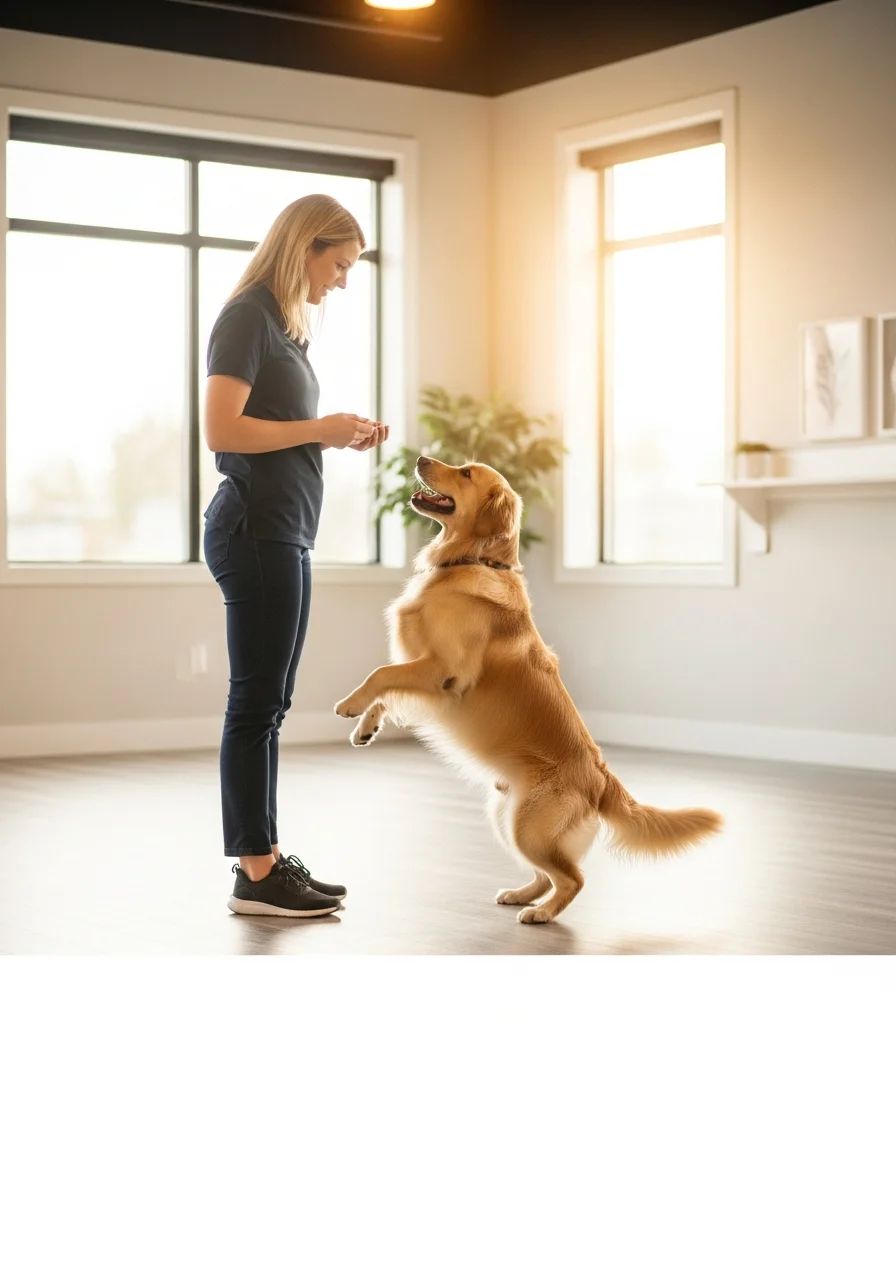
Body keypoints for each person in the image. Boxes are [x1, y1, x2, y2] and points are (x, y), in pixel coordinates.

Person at [202, 193, 388, 918]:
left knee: (270, 703)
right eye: (338, 264)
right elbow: (223, 428)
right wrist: (320, 426)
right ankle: (255, 871)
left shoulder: (282, 327)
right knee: (256, 703)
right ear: (306, 246)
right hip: (254, 531)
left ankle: (267, 858)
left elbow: (275, 426)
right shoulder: (247, 314)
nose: (341, 280)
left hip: (285, 531)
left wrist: (333, 433)